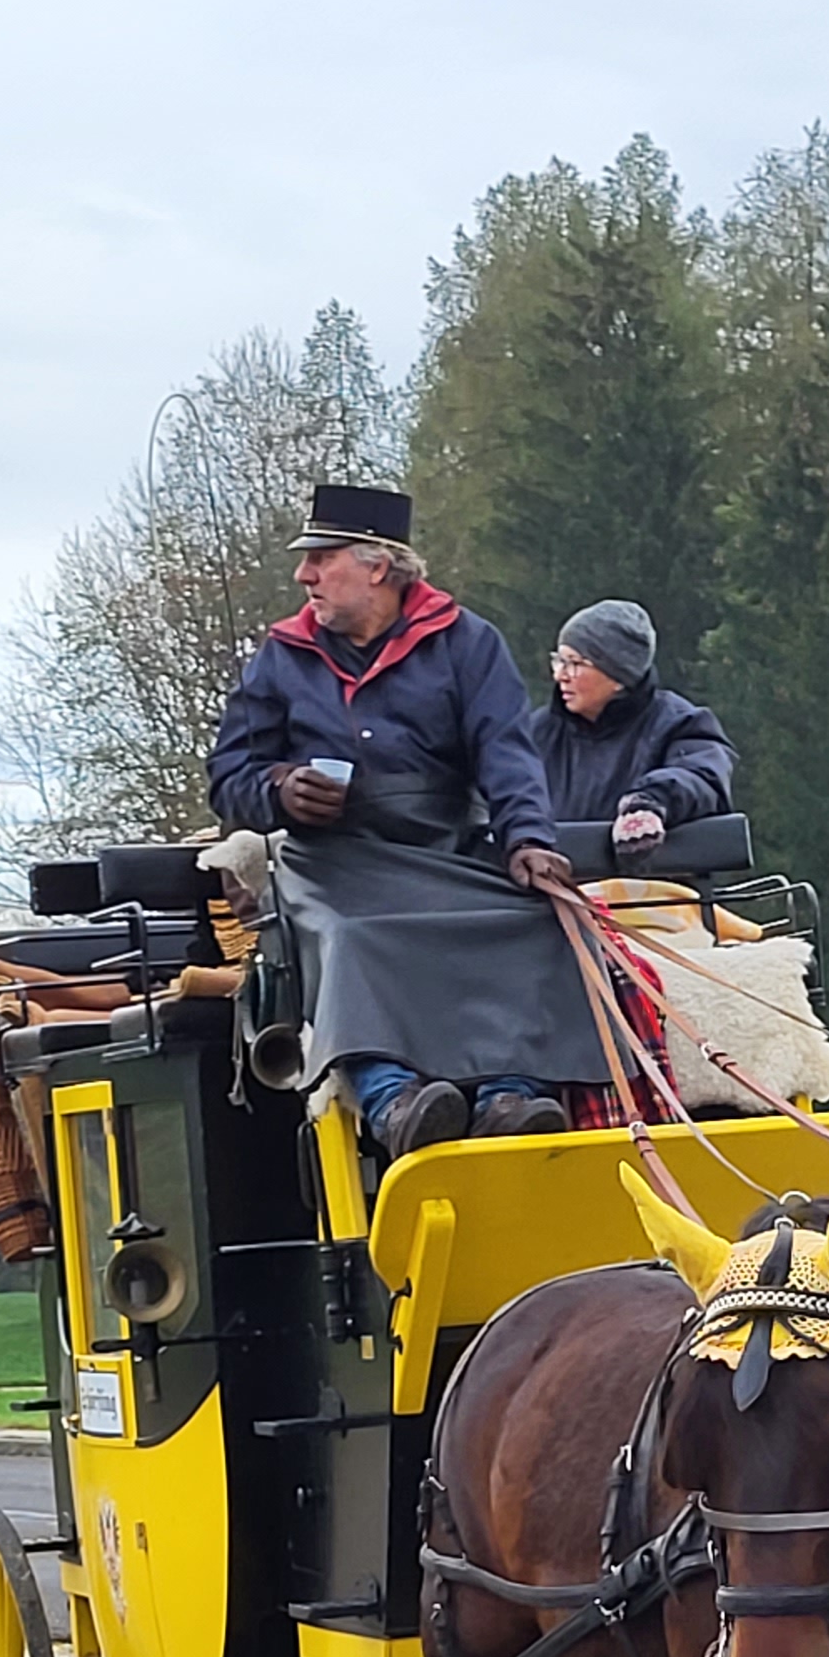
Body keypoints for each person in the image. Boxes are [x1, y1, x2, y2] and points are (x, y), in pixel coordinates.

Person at [205, 486, 584, 1161]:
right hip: (333, 861)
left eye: (321, 558)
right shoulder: (282, 656)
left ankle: (510, 1096)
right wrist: (279, 789)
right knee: (347, 934)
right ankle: (394, 1100)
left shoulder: (468, 643)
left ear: (377, 566)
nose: (304, 575)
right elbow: (228, 775)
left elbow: (507, 755)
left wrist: (528, 840)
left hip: (450, 848)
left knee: (535, 920)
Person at [529, 598, 738, 863]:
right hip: (545, 882)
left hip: (644, 884)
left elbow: (702, 777)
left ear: (618, 677)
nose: (560, 675)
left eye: (575, 663)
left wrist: (649, 803)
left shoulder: (682, 724)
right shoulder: (536, 732)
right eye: (559, 660)